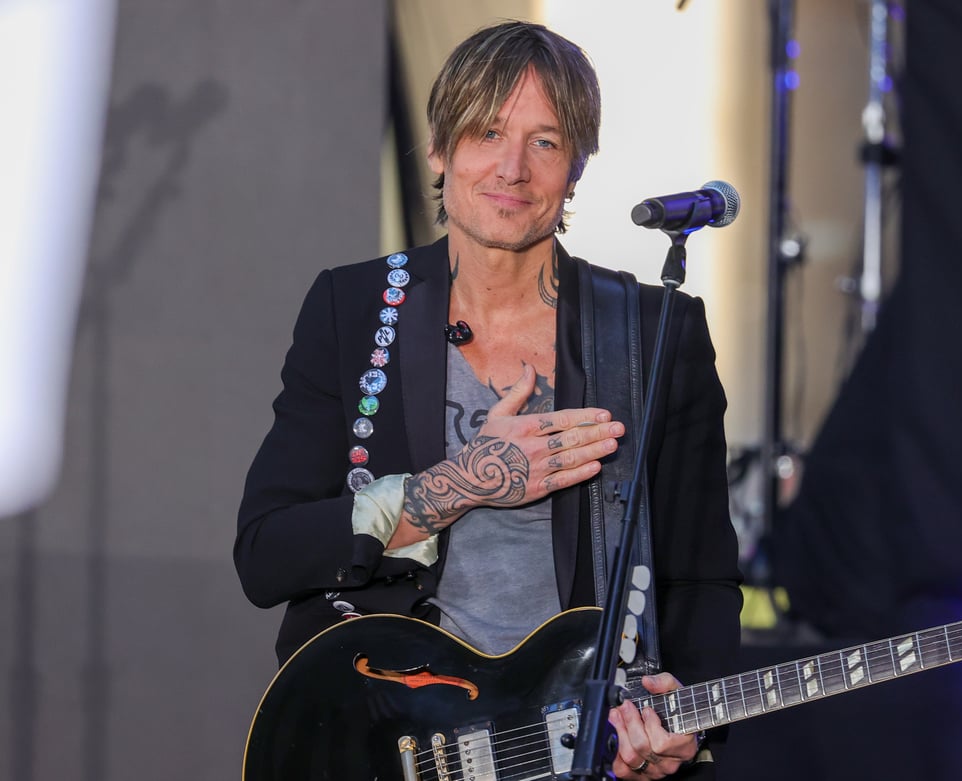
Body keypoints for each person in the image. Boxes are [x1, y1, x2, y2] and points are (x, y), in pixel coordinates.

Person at [235, 20, 741, 780]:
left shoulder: (654, 331)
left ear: (577, 167)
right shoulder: (354, 308)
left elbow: (700, 579)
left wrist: (683, 729)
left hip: (576, 746)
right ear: (439, 149)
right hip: (387, 740)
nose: (513, 167)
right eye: (487, 132)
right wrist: (456, 485)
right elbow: (265, 554)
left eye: (545, 141)